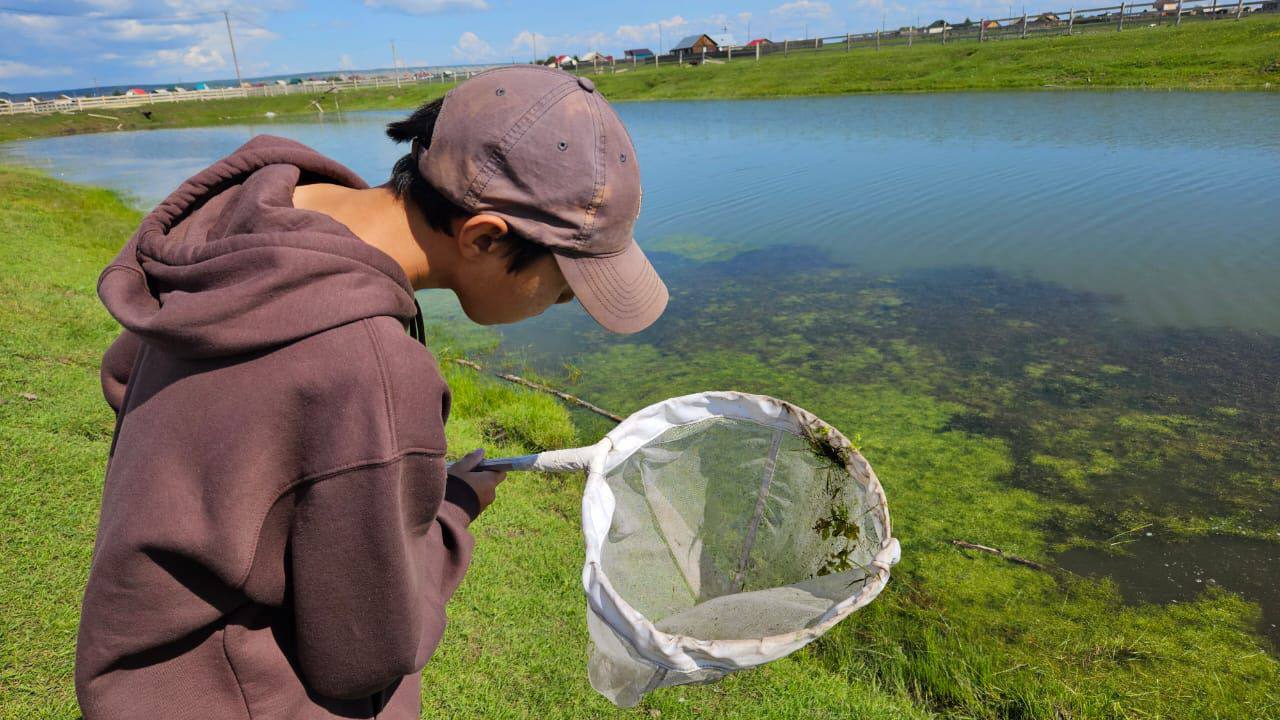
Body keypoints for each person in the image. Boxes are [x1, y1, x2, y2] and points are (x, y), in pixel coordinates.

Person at [74, 66, 668, 720]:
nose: (563, 306)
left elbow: (125, 372)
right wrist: (453, 509)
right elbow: (365, 648)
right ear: (485, 237)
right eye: (564, 288)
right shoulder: (371, 371)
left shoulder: (259, 218)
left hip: (137, 677)